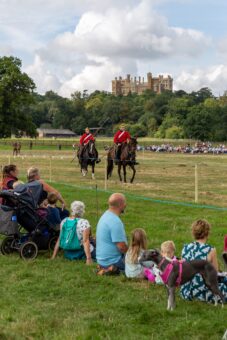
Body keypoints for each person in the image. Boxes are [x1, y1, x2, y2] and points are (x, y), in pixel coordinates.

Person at [180, 219, 227, 303]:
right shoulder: (210, 250)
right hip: (203, 290)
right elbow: (215, 274)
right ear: (207, 233)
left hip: (186, 290)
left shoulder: (185, 248)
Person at [96, 193, 128, 274]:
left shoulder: (105, 215)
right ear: (120, 205)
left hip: (101, 260)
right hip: (113, 261)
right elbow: (122, 247)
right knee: (141, 263)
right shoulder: (115, 221)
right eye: (125, 203)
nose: (126, 205)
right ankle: (112, 269)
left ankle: (104, 268)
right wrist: (132, 255)